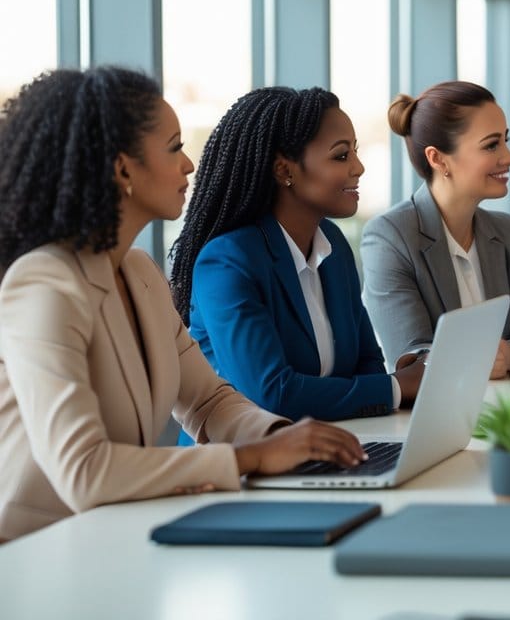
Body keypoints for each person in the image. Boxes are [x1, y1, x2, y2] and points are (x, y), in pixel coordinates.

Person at [0, 68, 366, 542]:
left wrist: (280, 438)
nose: (190, 164)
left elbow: (208, 400)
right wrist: (250, 458)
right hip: (32, 554)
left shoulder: (139, 273)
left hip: (110, 536)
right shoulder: (43, 283)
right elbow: (84, 471)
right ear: (124, 169)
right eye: (174, 147)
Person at [169, 87, 423, 423]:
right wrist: (395, 388)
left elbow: (367, 362)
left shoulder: (332, 243)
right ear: (284, 170)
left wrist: (387, 388)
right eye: (341, 156)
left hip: (333, 441)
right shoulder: (228, 262)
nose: (358, 167)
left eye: (355, 152)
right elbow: (272, 393)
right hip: (239, 464)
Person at [360, 81, 510, 376]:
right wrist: (476, 358)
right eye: (491, 145)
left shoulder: (509, 231)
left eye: (505, 140)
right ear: (438, 159)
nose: (509, 157)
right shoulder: (390, 236)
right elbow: (410, 356)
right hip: (434, 417)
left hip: (507, 408)